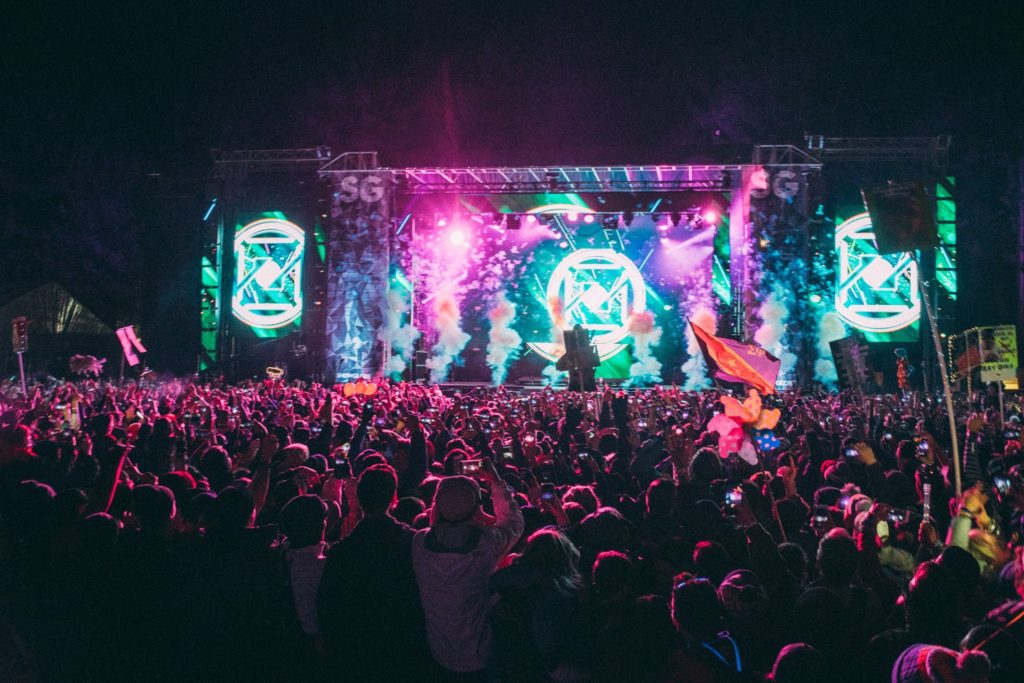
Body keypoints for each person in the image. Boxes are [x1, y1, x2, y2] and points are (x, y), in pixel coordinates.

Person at [412, 457, 524, 680]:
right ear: (476, 508)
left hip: (438, 652)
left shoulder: (419, 544)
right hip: (481, 653)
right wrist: (495, 482)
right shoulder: (488, 543)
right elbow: (514, 523)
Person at [317, 464, 431, 680]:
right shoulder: (412, 542)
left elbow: (329, 603)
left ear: (359, 497)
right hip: (404, 645)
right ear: (394, 497)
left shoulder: (341, 551)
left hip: (358, 650)